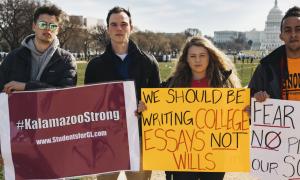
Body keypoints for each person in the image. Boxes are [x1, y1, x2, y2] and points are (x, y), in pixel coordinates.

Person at [140, 36, 241, 180]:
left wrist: (246, 113)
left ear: (210, 57)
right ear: (186, 59)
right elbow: (160, 115)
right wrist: (146, 108)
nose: (197, 60)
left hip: (214, 154)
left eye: (202, 55)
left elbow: (236, 118)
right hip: (183, 155)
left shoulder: (225, 83)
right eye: (193, 56)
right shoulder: (172, 84)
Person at [84, 6, 160, 180]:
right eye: (114, 24)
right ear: (108, 28)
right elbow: (89, 104)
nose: (119, 28)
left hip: (139, 138)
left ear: (131, 28)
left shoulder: (148, 62)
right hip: (107, 139)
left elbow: (158, 100)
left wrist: (148, 105)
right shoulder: (95, 65)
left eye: (124, 24)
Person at [0, 4, 77, 165]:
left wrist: (26, 87)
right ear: (34, 26)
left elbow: (65, 95)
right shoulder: (13, 58)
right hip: (17, 133)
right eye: (43, 24)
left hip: (53, 134)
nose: (47, 29)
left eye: (52, 25)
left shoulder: (66, 60)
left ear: (58, 29)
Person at [248, 6, 300, 102]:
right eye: (288, 30)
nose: (293, 35)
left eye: (298, 29)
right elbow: (248, 99)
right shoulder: (266, 68)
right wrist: (256, 99)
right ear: (281, 36)